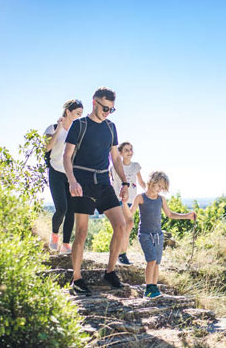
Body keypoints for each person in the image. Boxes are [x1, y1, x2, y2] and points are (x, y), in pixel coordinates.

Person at [63, 87, 129, 296]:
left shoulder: (111, 128)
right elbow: (67, 156)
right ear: (94, 103)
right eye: (104, 107)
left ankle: (110, 272)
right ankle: (77, 278)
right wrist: (72, 181)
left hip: (103, 182)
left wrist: (125, 183)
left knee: (121, 225)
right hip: (81, 183)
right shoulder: (79, 125)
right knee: (81, 233)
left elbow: (115, 158)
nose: (107, 112)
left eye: (111, 109)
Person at [122, 171, 196, 299]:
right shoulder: (140, 197)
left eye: (162, 188)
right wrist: (123, 204)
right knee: (151, 260)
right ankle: (148, 288)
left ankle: (154, 287)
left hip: (158, 235)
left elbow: (170, 214)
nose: (160, 189)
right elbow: (130, 214)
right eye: (159, 186)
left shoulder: (161, 199)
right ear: (151, 182)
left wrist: (187, 216)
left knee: (156, 263)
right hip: (145, 234)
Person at [44, 99, 83, 254]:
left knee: (71, 211)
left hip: (71, 174)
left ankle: (66, 244)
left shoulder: (76, 132)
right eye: (77, 113)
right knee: (61, 208)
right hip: (55, 172)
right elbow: (47, 147)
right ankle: (54, 235)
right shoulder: (52, 128)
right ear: (68, 111)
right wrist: (59, 129)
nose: (79, 117)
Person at [110, 141, 146, 265]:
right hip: (118, 200)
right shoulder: (114, 167)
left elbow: (141, 182)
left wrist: (150, 191)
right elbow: (109, 180)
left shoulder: (135, 166)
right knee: (128, 224)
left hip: (131, 200)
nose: (130, 152)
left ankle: (120, 252)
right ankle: (122, 254)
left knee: (127, 226)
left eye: (131, 149)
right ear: (120, 153)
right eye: (126, 150)